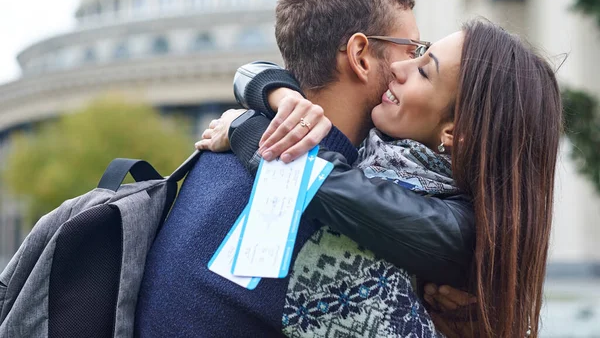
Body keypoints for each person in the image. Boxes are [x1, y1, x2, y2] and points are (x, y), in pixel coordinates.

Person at [135, 0, 465, 337]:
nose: (410, 66)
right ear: (360, 57)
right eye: (411, 50)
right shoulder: (335, 228)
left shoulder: (220, 156)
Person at [200, 19, 562, 338]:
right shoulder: (377, 147)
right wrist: (282, 97)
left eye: (424, 71)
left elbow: (319, 183)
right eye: (419, 53)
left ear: (454, 132)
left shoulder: (459, 232)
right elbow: (250, 72)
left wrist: (246, 128)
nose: (400, 68)